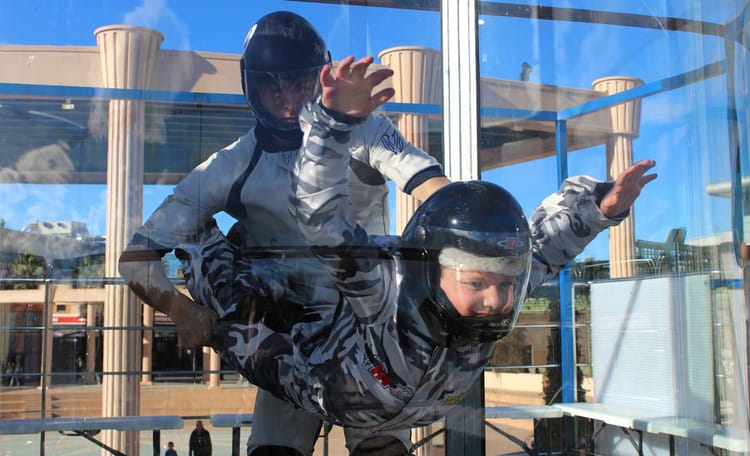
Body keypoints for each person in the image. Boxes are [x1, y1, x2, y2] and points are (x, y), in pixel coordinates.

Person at [185, 56, 657, 454]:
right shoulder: (389, 286)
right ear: (435, 270)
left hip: (378, 399)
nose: (494, 300)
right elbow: (321, 218)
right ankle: (200, 250)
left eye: (503, 285)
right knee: (238, 312)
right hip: (305, 365)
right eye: (476, 285)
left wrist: (597, 209)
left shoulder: (487, 286)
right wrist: (334, 125)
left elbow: (544, 249)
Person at [118, 10, 449, 456]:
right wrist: (180, 310)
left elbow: (432, 187)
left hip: (369, 329)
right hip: (288, 336)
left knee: (382, 449)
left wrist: (464, 234)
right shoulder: (229, 166)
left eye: (300, 82)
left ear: (321, 78)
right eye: (274, 87)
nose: (290, 100)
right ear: (252, 90)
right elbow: (138, 256)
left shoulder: (363, 128)